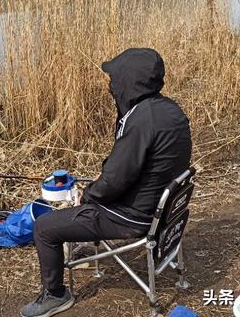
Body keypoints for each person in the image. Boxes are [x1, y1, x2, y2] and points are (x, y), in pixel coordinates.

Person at [20, 48, 192, 317]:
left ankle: (55, 295)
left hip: (134, 218)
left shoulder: (139, 120)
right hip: (163, 212)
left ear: (129, 81)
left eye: (114, 80)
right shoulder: (170, 110)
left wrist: (88, 196)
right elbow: (131, 169)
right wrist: (107, 179)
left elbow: (112, 183)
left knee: (44, 228)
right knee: (90, 197)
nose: (111, 86)